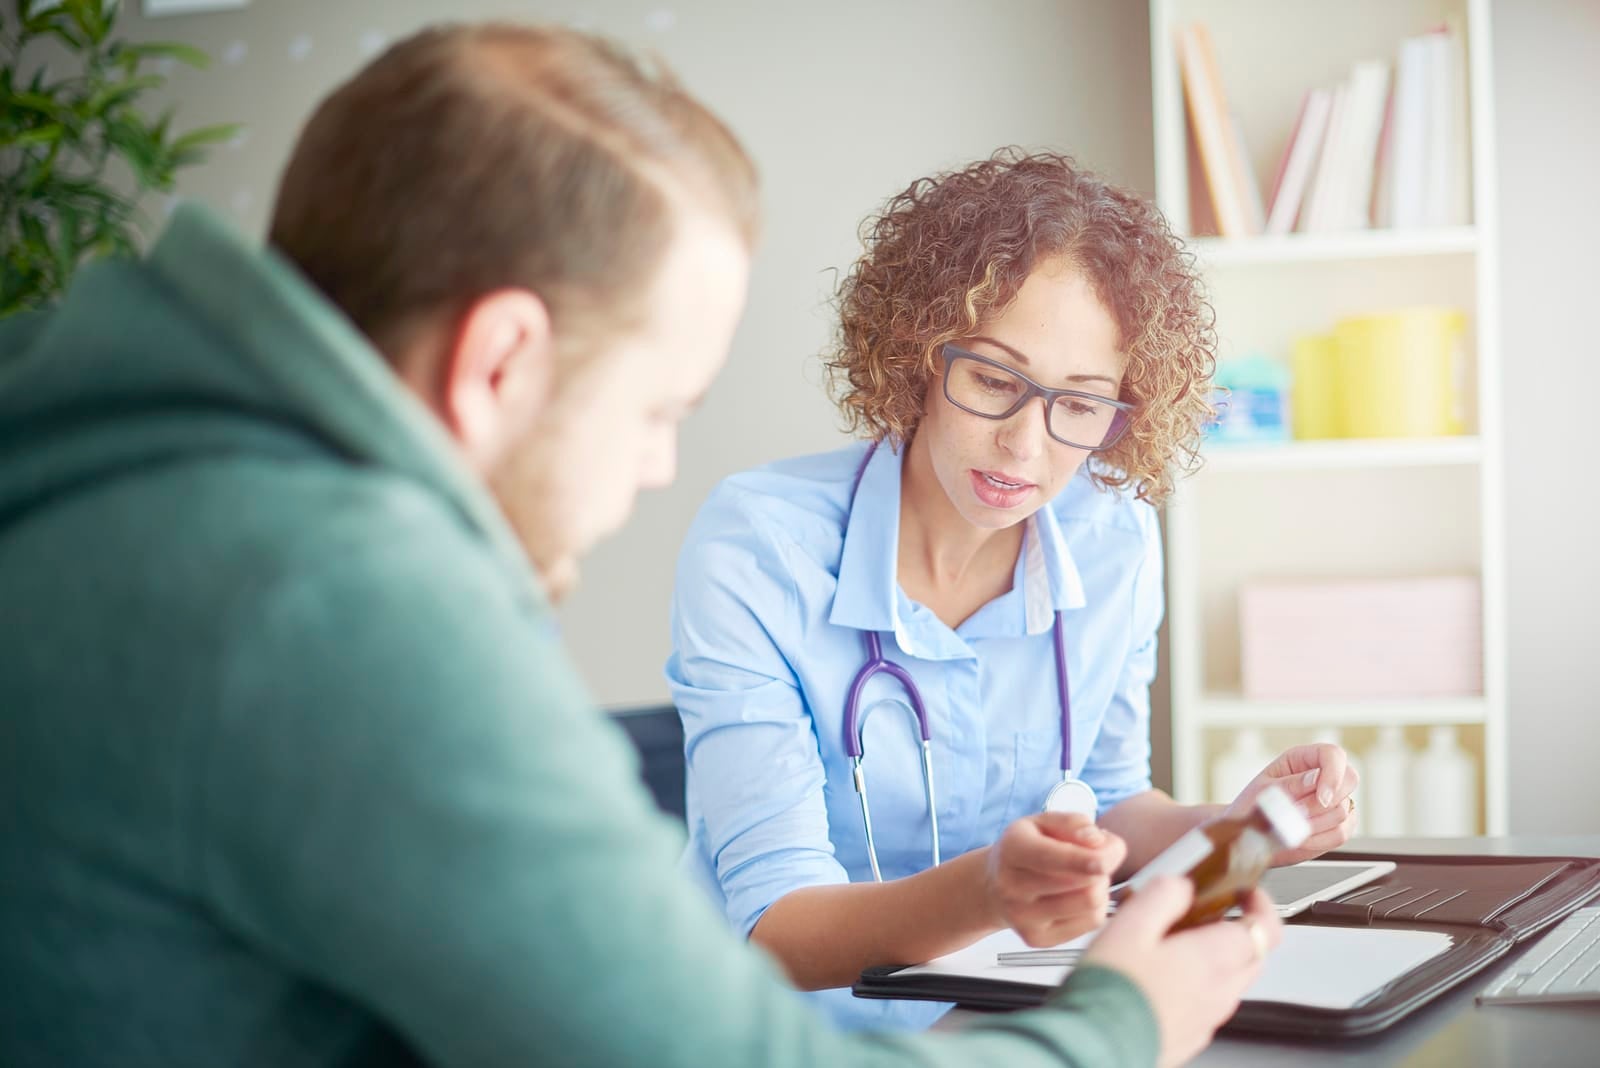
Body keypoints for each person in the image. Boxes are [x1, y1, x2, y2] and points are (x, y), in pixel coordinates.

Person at [0, 23, 1279, 1068]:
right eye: (657, 406)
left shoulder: (138, 479)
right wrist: (1120, 1025)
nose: (660, 463)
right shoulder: (327, 599)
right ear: (500, 361)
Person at [667, 149, 1358, 1030]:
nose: (1026, 448)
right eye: (994, 379)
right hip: (773, 1033)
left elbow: (1109, 801)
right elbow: (777, 926)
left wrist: (1236, 824)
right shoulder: (760, 546)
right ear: (917, 353)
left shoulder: (1114, 539)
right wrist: (994, 887)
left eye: (1081, 403)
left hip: (1002, 1018)